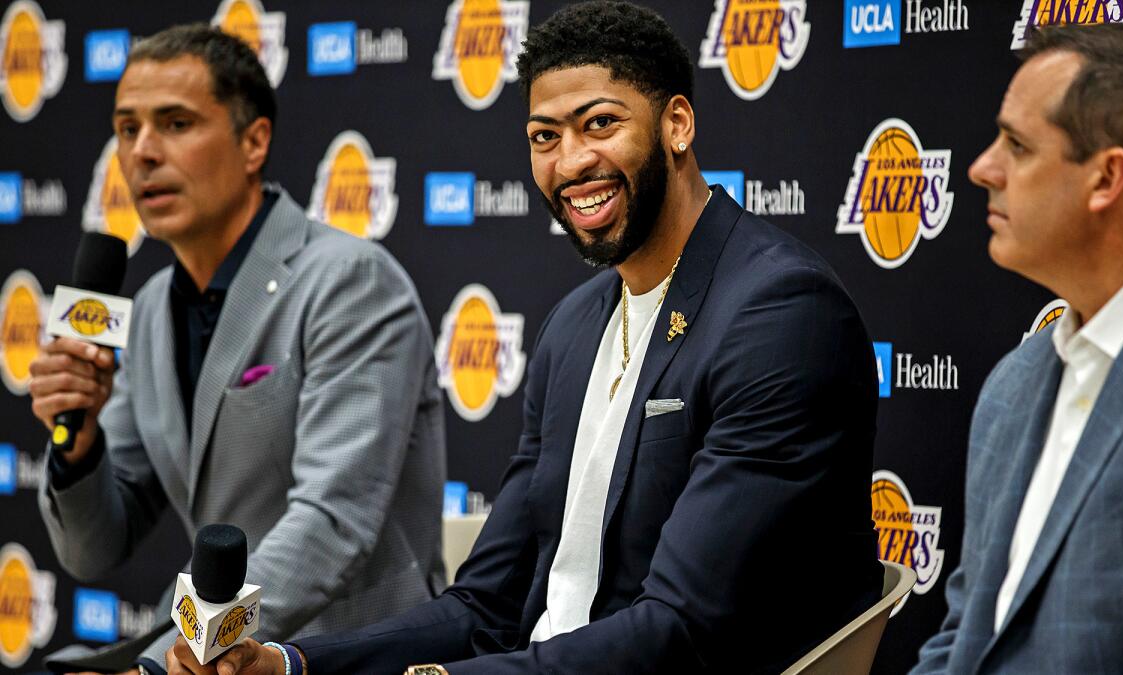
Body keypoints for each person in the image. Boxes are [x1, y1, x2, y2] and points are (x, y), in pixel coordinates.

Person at [172, 2, 881, 674]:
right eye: (546, 136)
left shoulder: (781, 313)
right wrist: (291, 662)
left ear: (677, 125)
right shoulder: (574, 324)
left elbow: (679, 631)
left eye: (599, 124)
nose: (570, 163)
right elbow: (487, 603)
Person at [29, 24, 446, 675]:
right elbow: (94, 549)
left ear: (254, 142)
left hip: (342, 653)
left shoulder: (351, 281)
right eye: (128, 127)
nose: (142, 152)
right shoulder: (148, 312)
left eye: (174, 123)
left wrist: (166, 667)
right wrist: (78, 449)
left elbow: (331, 522)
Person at [912, 23, 1123, 674]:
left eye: (1017, 145)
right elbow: (959, 642)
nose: (981, 168)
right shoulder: (1014, 383)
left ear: (1106, 179)